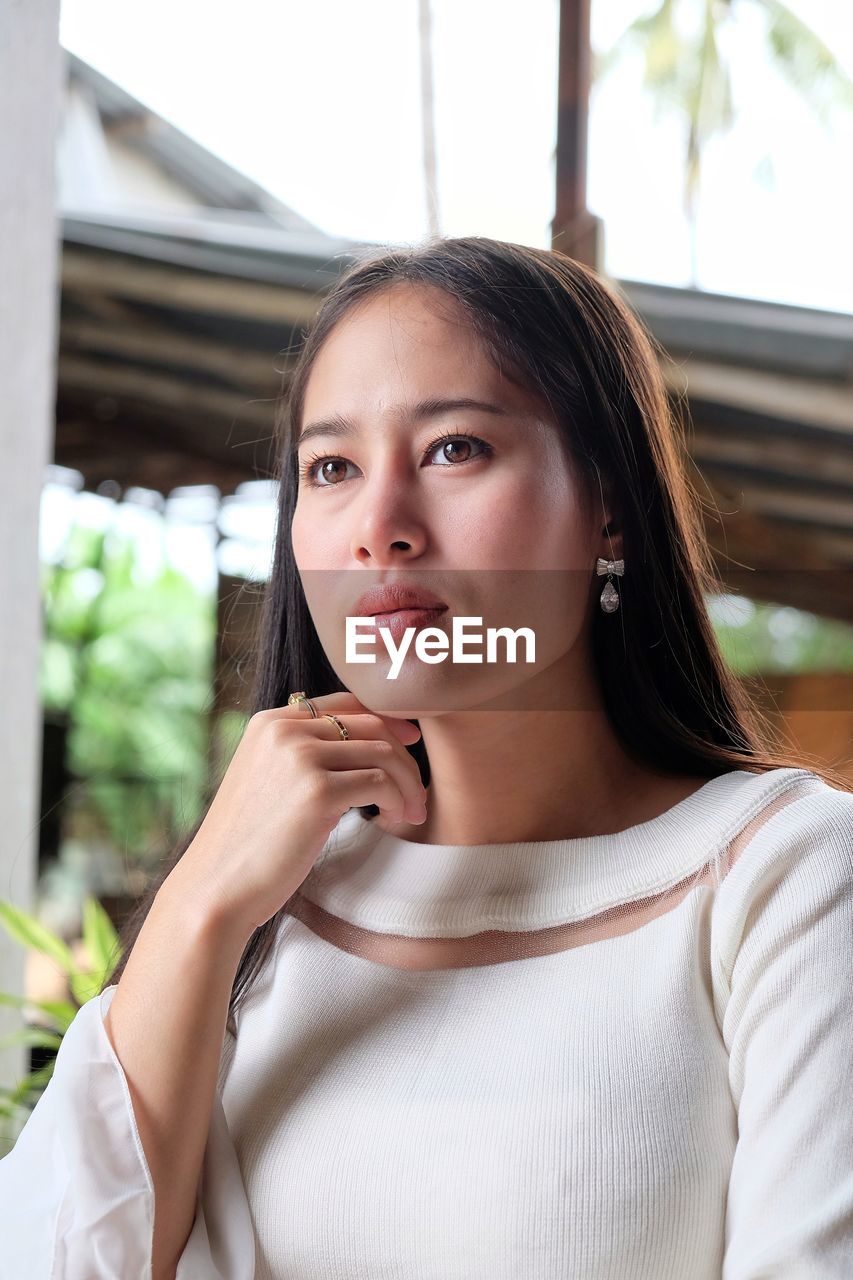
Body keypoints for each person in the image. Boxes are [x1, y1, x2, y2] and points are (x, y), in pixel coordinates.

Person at [2, 236, 852, 1280]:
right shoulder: (264, 913)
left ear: (610, 509)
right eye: (331, 467)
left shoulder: (784, 878)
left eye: (454, 448)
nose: (379, 528)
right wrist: (198, 903)